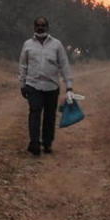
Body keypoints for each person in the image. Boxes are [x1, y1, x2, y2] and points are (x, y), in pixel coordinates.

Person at [18, 16, 75, 156]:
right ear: (34, 27)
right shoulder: (27, 45)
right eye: (38, 25)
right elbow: (23, 66)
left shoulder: (57, 45)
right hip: (33, 85)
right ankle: (34, 143)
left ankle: (47, 142)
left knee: (49, 117)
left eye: (43, 25)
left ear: (47, 27)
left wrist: (69, 85)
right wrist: (22, 84)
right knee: (34, 113)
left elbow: (64, 65)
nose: (40, 28)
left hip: (51, 86)